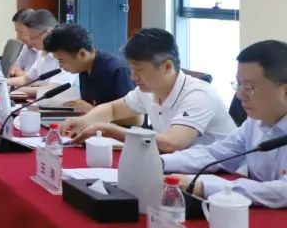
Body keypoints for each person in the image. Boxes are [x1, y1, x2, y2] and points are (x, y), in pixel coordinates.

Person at [62, 28, 235, 152]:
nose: (133, 77)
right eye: (131, 69)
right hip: (181, 165)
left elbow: (172, 143)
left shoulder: (199, 95)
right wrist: (84, 120)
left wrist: (108, 129)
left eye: (139, 69)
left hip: (223, 177)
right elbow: (113, 109)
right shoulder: (148, 90)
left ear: (167, 66)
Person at [165, 40, 287, 207]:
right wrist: (159, 163)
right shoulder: (255, 123)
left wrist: (205, 187)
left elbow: (283, 191)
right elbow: (215, 154)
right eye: (239, 85)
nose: (239, 95)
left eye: (249, 87)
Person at [43, 23, 134, 114]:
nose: (60, 66)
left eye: (61, 60)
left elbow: (133, 117)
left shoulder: (116, 70)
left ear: (82, 54)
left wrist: (92, 110)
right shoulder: (84, 69)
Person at [6, 9, 75, 89]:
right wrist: (1, 82)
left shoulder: (66, 54)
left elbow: (50, 89)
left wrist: (14, 89)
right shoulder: (42, 52)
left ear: (47, 34)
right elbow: (26, 79)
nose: (30, 41)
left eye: (33, 37)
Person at [8, 8, 38, 80]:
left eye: (20, 32)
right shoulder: (26, 46)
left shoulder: (45, 50)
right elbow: (13, 69)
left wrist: (20, 73)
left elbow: (37, 81)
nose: (18, 37)